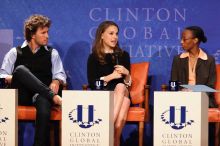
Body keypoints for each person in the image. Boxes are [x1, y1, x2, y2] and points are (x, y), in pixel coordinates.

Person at [0, 14, 66, 146]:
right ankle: (52, 96)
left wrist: (56, 81)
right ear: (32, 34)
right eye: (43, 33)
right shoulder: (15, 52)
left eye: (47, 32)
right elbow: (2, 75)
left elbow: (60, 75)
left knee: (44, 103)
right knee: (20, 70)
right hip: (21, 95)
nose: (47, 36)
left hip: (40, 95)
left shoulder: (52, 53)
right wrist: (16, 77)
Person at [87, 21, 131, 146]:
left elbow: (128, 84)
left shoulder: (123, 55)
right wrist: (110, 77)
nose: (115, 37)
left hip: (122, 90)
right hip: (104, 94)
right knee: (125, 102)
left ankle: (106, 128)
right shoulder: (93, 57)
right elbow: (92, 84)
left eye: (116, 34)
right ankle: (114, 140)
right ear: (101, 35)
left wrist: (127, 73)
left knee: (121, 86)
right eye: (111, 33)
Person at [170, 26, 216, 146]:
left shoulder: (209, 60)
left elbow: (210, 86)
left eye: (184, 39)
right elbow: (173, 84)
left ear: (195, 40)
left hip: (202, 99)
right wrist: (178, 92)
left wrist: (194, 94)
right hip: (181, 99)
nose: (181, 42)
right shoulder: (178, 59)